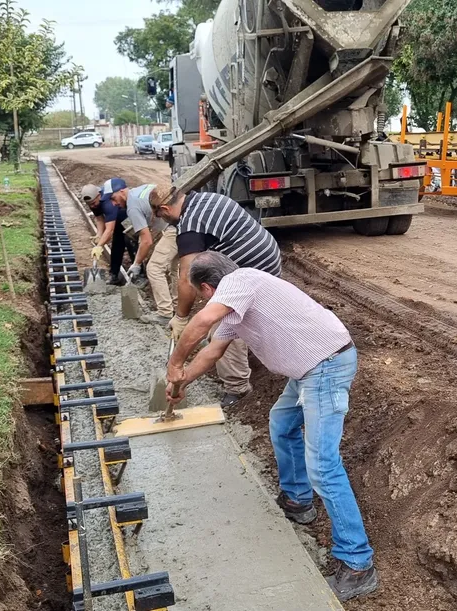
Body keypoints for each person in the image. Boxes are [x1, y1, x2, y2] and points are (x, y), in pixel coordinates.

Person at [165, 252, 378, 602]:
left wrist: (174, 362)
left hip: (325, 366)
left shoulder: (241, 281)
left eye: (203, 295)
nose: (206, 300)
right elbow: (211, 352)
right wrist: (183, 380)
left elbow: (202, 322)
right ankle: (298, 500)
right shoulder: (238, 307)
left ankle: (358, 563)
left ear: (208, 287)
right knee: (281, 422)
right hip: (308, 369)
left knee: (323, 467)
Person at [150, 187, 281, 407]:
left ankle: (238, 388)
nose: (161, 220)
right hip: (268, 258)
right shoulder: (205, 199)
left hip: (252, 268)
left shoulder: (189, 226)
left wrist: (181, 318)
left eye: (160, 215)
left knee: (221, 326)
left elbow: (186, 279)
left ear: (164, 208)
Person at [81, 180, 129, 285]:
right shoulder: (93, 202)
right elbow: (99, 219)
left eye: (93, 203)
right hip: (113, 220)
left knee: (130, 241)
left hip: (126, 216)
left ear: (99, 196)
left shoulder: (107, 203)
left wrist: (99, 246)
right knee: (117, 245)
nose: (92, 206)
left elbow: (109, 230)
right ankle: (114, 275)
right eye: (89, 205)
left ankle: (139, 273)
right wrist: (98, 235)